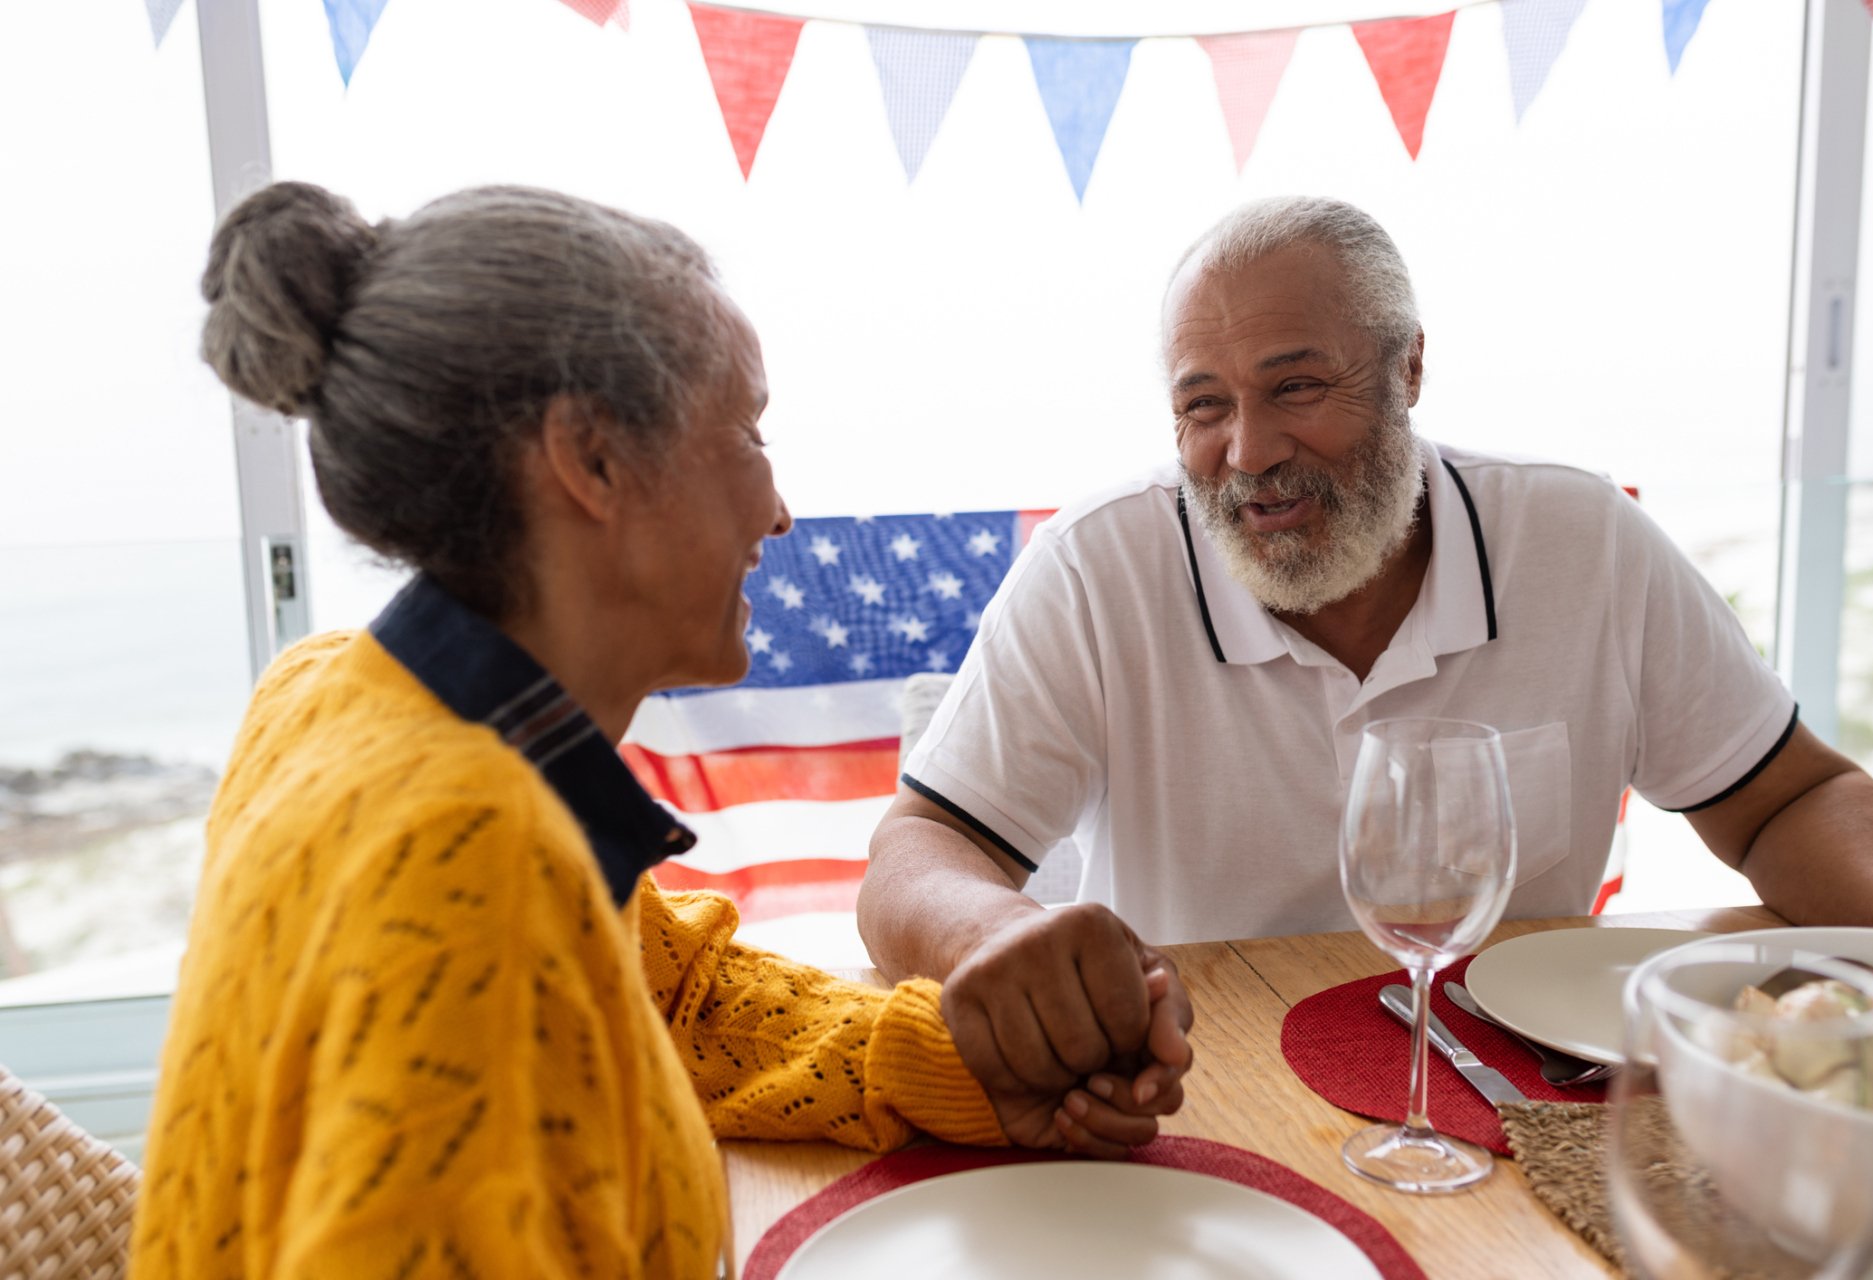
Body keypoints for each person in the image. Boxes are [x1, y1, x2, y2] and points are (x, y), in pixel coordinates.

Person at [130, 182, 1190, 1279]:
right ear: (591, 458)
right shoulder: (472, 850)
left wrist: (964, 1060)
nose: (778, 510)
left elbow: (670, 994)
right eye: (747, 430)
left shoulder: (331, 696)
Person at [859, 195, 1873, 1097]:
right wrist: (991, 934)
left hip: (1521, 1088)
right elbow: (919, 853)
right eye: (1204, 406)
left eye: (1296, 387)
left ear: (1408, 368)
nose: (1250, 451)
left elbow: (1786, 799)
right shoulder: (1098, 564)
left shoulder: (1584, 539)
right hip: (1199, 1085)